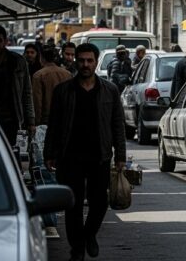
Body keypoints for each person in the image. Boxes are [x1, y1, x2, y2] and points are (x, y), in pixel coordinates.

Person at [44, 43, 126, 261]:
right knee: (73, 205)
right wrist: (49, 153)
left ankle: (89, 235)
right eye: (81, 60)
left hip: (99, 156)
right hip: (69, 157)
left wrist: (120, 157)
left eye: (89, 60)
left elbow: (118, 125)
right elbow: (54, 124)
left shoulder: (109, 90)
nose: (85, 64)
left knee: (99, 203)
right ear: (75, 61)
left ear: (96, 61)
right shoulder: (63, 91)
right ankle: (77, 249)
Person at [31, 46, 71, 239]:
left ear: (41, 57)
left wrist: (33, 129)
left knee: (43, 175)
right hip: (67, 129)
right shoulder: (67, 74)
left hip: (45, 128)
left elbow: (36, 106)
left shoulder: (39, 76)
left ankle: (50, 224)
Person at [0, 25, 36, 145]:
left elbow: (27, 92)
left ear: (5, 41)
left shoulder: (18, 62)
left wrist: (31, 121)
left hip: (13, 120)